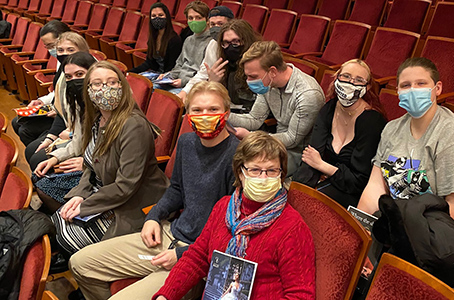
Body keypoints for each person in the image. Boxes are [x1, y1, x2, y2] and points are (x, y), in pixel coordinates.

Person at [69, 81, 240, 300]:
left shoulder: (237, 156)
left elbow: (230, 230)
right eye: (197, 110)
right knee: (81, 264)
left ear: (226, 113)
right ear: (188, 115)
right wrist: (154, 217)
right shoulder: (187, 142)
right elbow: (176, 189)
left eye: (213, 109)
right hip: (170, 234)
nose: (205, 115)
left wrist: (180, 254)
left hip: (196, 255)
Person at [357, 57, 454, 285]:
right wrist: (361, 232)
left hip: (451, 237)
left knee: (385, 280)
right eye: (406, 85)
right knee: (355, 262)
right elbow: (375, 186)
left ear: (437, 88)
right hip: (402, 222)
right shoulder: (391, 129)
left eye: (421, 84)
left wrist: (401, 242)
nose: (413, 90)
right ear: (397, 91)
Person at [152, 131, 316, 300]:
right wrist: (166, 295)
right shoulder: (224, 207)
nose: (263, 178)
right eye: (255, 170)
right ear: (240, 173)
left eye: (272, 170)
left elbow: (300, 295)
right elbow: (198, 256)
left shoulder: (292, 227)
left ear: (281, 174)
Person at [52, 61, 169, 255]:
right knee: (57, 221)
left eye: (112, 82)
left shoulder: (133, 125)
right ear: (88, 90)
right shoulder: (98, 118)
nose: (104, 88)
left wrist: (86, 205)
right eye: (97, 84)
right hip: (104, 190)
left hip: (135, 201)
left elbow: (126, 186)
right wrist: (81, 194)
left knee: (66, 234)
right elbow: (89, 164)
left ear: (122, 87)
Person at [293, 59, 387, 209]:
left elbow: (358, 181)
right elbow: (311, 157)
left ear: (367, 87)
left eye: (358, 80)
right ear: (337, 77)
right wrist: (297, 190)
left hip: (352, 191)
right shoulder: (329, 109)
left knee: (314, 206)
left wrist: (322, 165)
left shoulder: (372, 122)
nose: (350, 83)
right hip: (328, 179)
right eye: (346, 76)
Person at [229, 41, 325, 175]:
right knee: (226, 155)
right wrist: (224, 115)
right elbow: (255, 119)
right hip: (274, 142)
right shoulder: (269, 83)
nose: (249, 81)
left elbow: (292, 139)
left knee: (244, 168)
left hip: (298, 153)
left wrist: (251, 137)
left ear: (272, 71)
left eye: (253, 76)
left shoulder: (308, 95)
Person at [32, 52, 97, 214]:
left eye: (80, 74)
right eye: (68, 77)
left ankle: (67, 219)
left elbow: (115, 155)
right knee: (39, 174)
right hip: (89, 160)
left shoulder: (105, 104)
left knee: (45, 186)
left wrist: (86, 163)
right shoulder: (78, 102)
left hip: (100, 169)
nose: (74, 80)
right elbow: (78, 142)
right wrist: (55, 158)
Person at [25, 32, 91, 171]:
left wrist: (88, 162)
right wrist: (51, 139)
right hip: (72, 131)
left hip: (90, 154)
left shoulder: (95, 91)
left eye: (70, 50)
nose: (64, 54)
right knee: (33, 149)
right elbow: (60, 100)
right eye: (60, 50)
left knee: (37, 157)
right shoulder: (65, 70)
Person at [11, 20, 70, 146]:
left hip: (68, 118)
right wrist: (42, 101)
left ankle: (44, 153)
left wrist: (61, 112)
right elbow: (58, 90)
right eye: (46, 47)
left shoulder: (83, 64)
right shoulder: (61, 57)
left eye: (51, 45)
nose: (50, 50)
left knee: (26, 131)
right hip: (57, 110)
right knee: (16, 122)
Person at [177, 6, 235, 102]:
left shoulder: (239, 47)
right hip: (214, 91)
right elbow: (203, 73)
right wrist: (185, 92)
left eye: (220, 24)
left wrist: (212, 82)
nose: (216, 27)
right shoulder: (213, 44)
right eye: (213, 24)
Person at [156, 1, 212, 93]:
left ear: (207, 20)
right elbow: (179, 65)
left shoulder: (211, 42)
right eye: (190, 18)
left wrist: (184, 82)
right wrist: (168, 76)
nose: (194, 21)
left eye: (198, 18)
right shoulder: (188, 40)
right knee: (150, 87)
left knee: (167, 99)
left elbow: (204, 74)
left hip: (193, 86)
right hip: (178, 81)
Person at [129, 2, 182, 75]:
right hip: (155, 73)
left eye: (160, 15)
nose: (157, 18)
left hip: (168, 75)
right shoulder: (153, 37)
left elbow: (172, 67)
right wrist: (131, 72)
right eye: (154, 16)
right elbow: (149, 62)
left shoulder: (174, 40)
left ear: (167, 17)